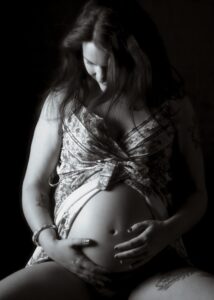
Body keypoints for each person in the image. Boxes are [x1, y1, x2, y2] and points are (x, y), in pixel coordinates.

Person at [0, 0, 214, 299]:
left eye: (109, 66)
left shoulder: (174, 105)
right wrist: (52, 245)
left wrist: (166, 231)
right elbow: (33, 186)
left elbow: (198, 194)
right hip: (69, 268)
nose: (99, 76)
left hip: (155, 267)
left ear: (138, 57)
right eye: (91, 64)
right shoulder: (62, 102)